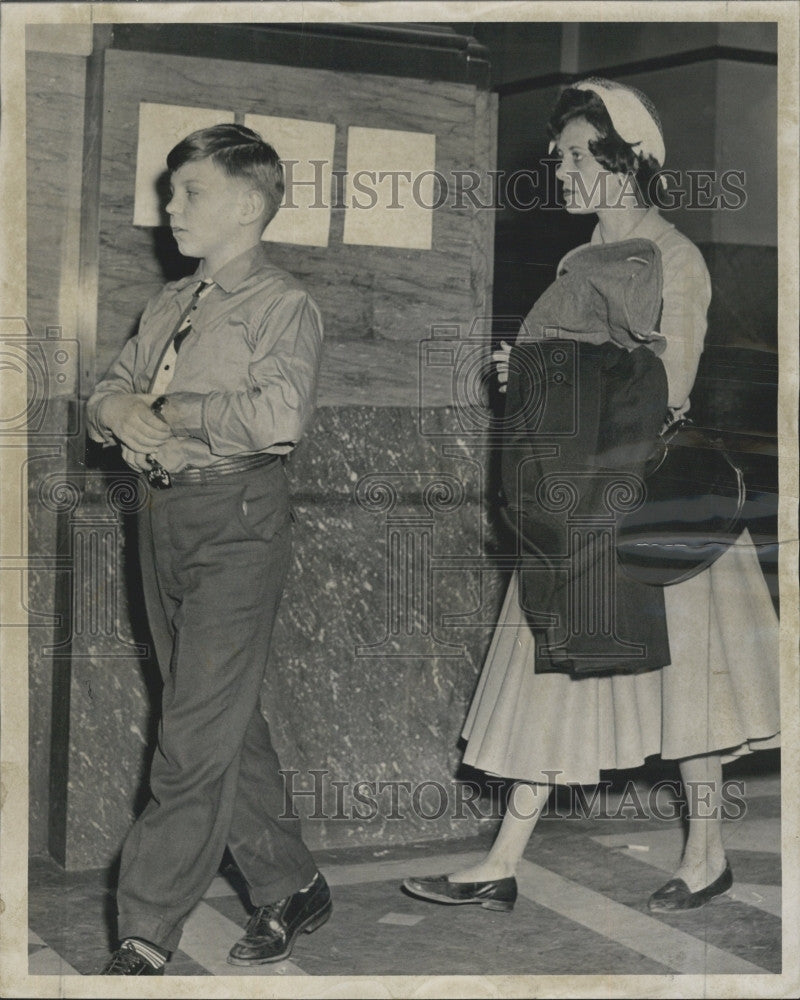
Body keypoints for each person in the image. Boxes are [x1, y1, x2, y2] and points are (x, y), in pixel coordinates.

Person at [403, 79, 780, 914]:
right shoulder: (579, 259)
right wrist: (525, 378)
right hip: (573, 496)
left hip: (650, 505)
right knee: (547, 673)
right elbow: (573, 368)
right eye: (559, 156)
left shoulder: (674, 257)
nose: (560, 170)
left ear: (628, 160)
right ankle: (502, 859)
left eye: (577, 155)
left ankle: (707, 853)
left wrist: (556, 378)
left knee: (694, 695)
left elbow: (669, 385)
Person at [86, 124, 329, 974]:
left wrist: (177, 413)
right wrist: (119, 414)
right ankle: (291, 883)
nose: (169, 207)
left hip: (237, 522)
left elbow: (279, 418)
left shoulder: (281, 306)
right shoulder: (166, 305)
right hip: (160, 519)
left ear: (250, 205)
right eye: (169, 191)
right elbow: (110, 390)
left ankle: (145, 929)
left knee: (190, 736)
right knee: (221, 719)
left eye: (189, 193)